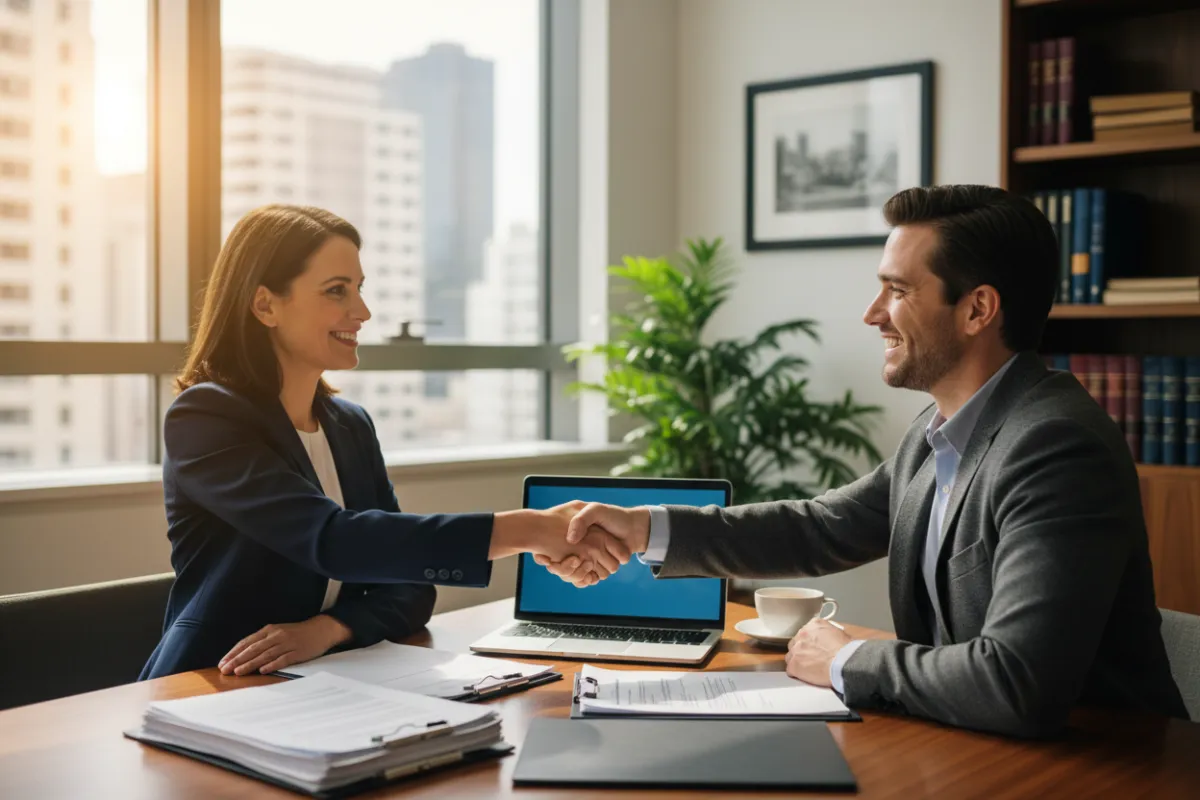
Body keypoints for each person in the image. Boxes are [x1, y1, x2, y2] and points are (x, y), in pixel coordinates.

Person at [539, 185, 1188, 738]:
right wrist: (643, 527)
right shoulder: (939, 433)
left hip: (1102, 769)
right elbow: (820, 526)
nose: (872, 314)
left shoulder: (1055, 447)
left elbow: (1017, 682)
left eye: (897, 291)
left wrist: (850, 658)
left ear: (977, 309)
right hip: (967, 744)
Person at [140, 205, 625, 680]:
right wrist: (527, 530)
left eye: (359, 289)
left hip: (328, 676)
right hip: (217, 679)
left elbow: (411, 586)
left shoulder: (349, 425)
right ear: (266, 305)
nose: (362, 311)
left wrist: (327, 629)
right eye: (336, 291)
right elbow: (332, 539)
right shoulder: (207, 416)